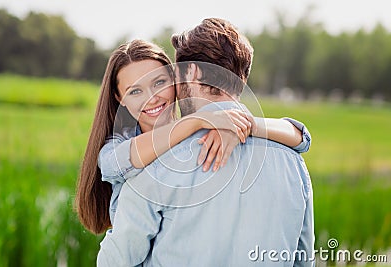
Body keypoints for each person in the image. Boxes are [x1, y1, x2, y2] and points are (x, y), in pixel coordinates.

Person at [97, 18, 314, 267]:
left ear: (191, 73)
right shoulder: (294, 163)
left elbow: (115, 263)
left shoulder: (157, 166)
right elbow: (302, 259)